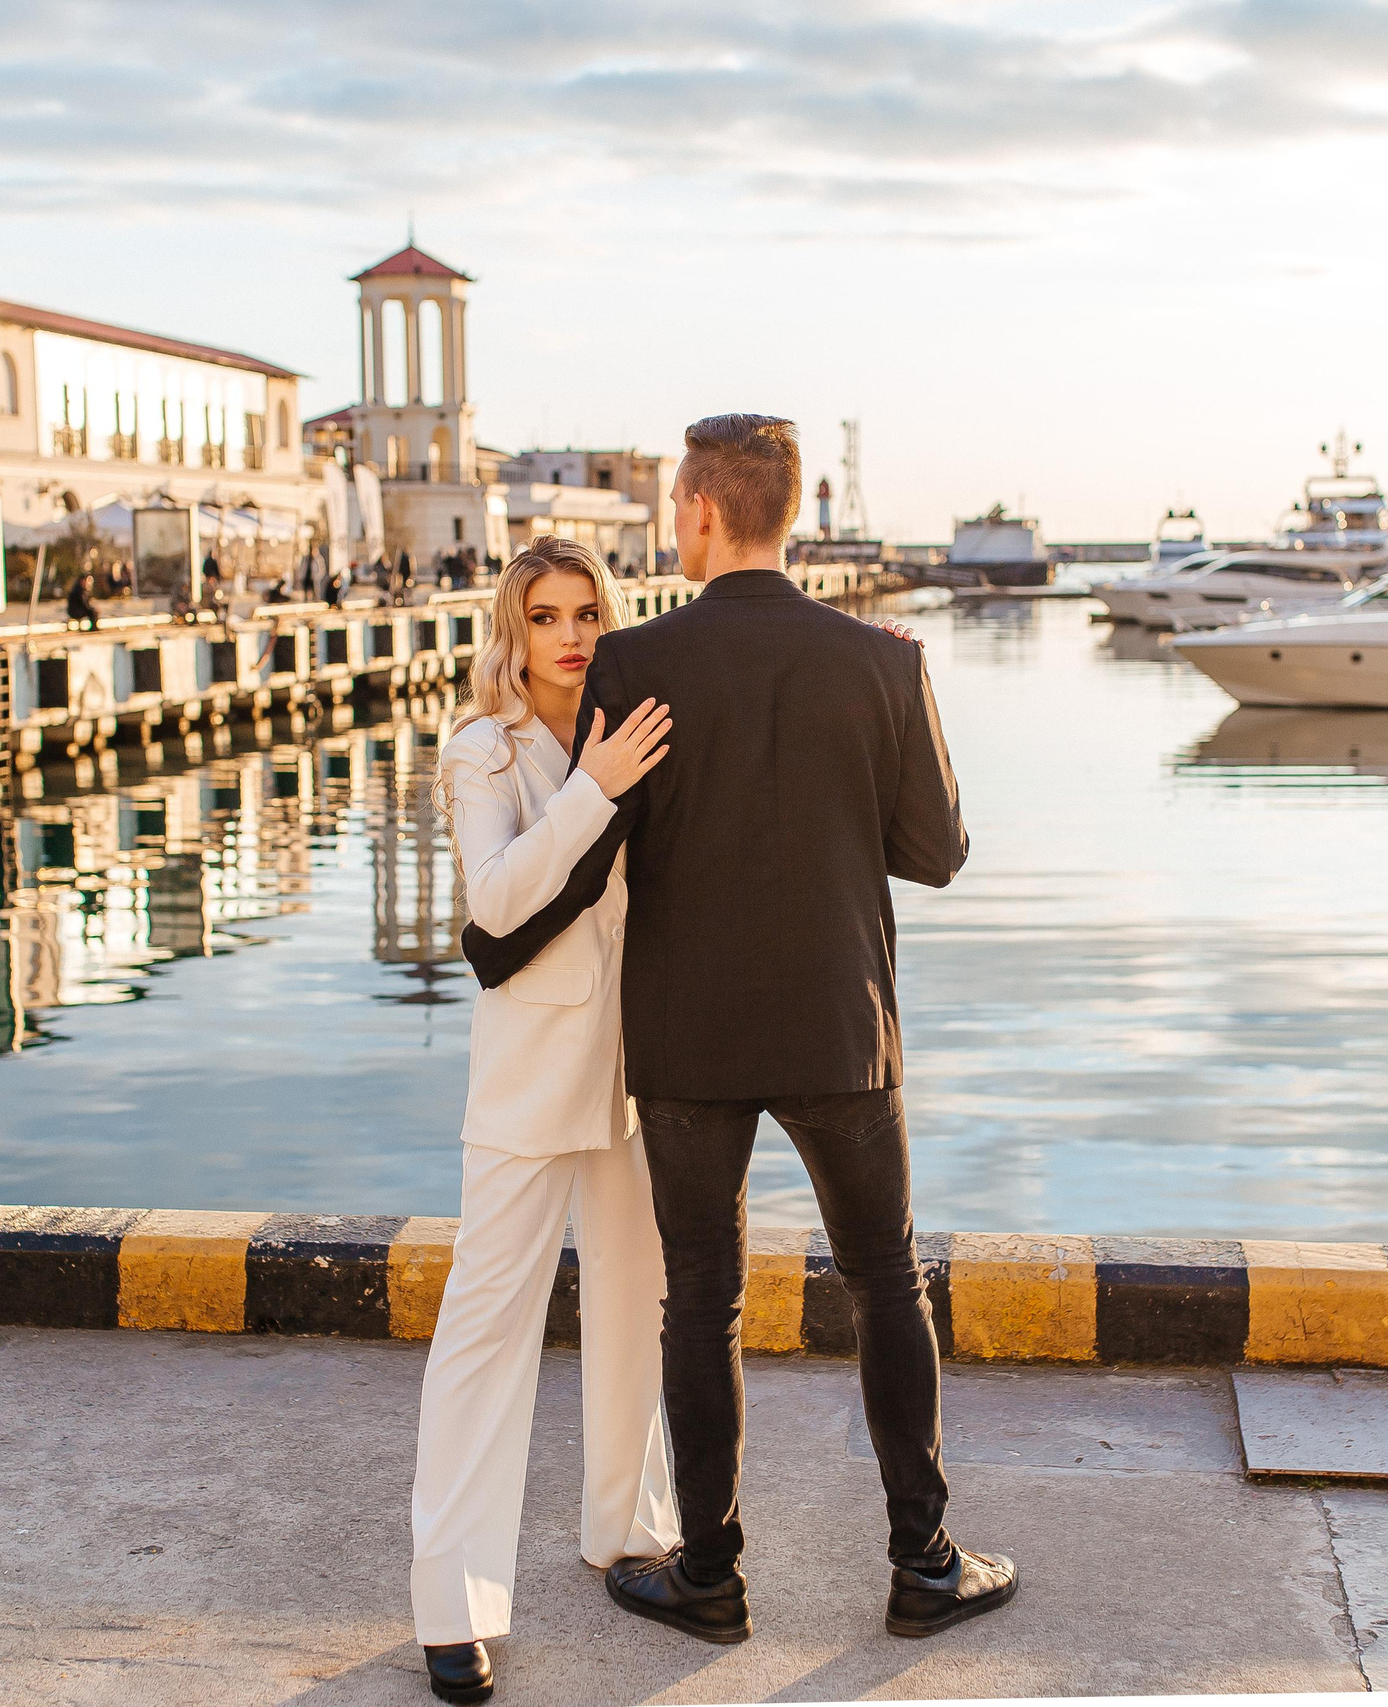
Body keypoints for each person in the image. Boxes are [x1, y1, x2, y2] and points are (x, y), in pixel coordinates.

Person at [463, 414, 1004, 1646]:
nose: (670, 523)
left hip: (686, 1036)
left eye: (672, 504)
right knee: (885, 1280)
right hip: (838, 1025)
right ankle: (922, 1562)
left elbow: (597, 845)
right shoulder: (881, 661)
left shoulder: (634, 662)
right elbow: (936, 854)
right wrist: (895, 713)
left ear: (702, 511)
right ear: (792, 514)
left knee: (699, 1299)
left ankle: (707, 1575)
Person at [412, 537, 680, 1706]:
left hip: (636, 1064)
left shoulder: (636, 726)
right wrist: (595, 789)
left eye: (585, 614)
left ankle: (628, 1531)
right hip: (528, 1071)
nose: (568, 636)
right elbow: (498, 900)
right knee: (485, 1331)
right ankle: (453, 1607)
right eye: (545, 616)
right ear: (511, 633)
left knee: (635, 1301)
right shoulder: (483, 749)